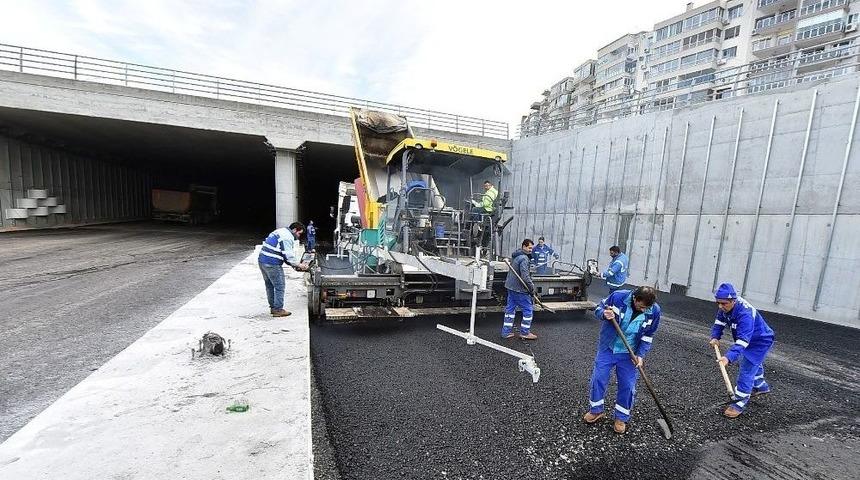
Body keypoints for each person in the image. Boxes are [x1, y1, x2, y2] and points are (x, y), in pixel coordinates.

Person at [584, 286, 661, 434]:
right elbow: (599, 308)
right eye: (641, 306)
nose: (644, 310)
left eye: (647, 307)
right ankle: (596, 410)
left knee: (628, 385)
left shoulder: (655, 310)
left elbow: (648, 335)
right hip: (609, 347)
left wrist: (640, 355)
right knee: (598, 378)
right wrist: (603, 314)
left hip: (629, 353)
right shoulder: (618, 297)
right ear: (634, 298)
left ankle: (621, 417)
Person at [710, 283, 775, 418]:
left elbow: (742, 341)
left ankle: (739, 402)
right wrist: (715, 337)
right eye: (718, 303)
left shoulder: (745, 314)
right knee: (753, 363)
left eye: (723, 304)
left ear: (733, 300)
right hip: (748, 338)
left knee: (747, 368)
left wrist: (728, 357)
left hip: (760, 341)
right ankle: (761, 386)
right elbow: (719, 323)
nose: (720, 307)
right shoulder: (724, 307)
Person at [258, 222, 309, 317]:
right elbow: (288, 256)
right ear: (294, 230)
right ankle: (278, 310)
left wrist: (294, 265)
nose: (298, 236)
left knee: (269, 286)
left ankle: (273, 308)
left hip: (262, 260)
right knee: (279, 286)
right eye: (299, 233)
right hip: (272, 263)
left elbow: (282, 253)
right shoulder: (287, 237)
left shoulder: (280, 231)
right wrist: (300, 265)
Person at [502, 239, 538, 340]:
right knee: (528, 310)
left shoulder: (516, 256)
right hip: (519, 289)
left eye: (532, 248)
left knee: (510, 310)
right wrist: (532, 288)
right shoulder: (524, 259)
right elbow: (525, 277)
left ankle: (505, 332)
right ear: (524, 247)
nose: (531, 250)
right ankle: (525, 333)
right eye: (529, 248)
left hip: (510, 287)